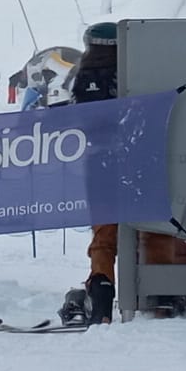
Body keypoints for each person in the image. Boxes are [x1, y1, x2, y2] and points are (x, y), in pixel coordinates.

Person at [62, 22, 121, 325]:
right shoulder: (128, 76)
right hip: (134, 165)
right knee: (150, 232)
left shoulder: (81, 79)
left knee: (103, 237)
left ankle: (101, 302)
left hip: (97, 167)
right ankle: (159, 301)